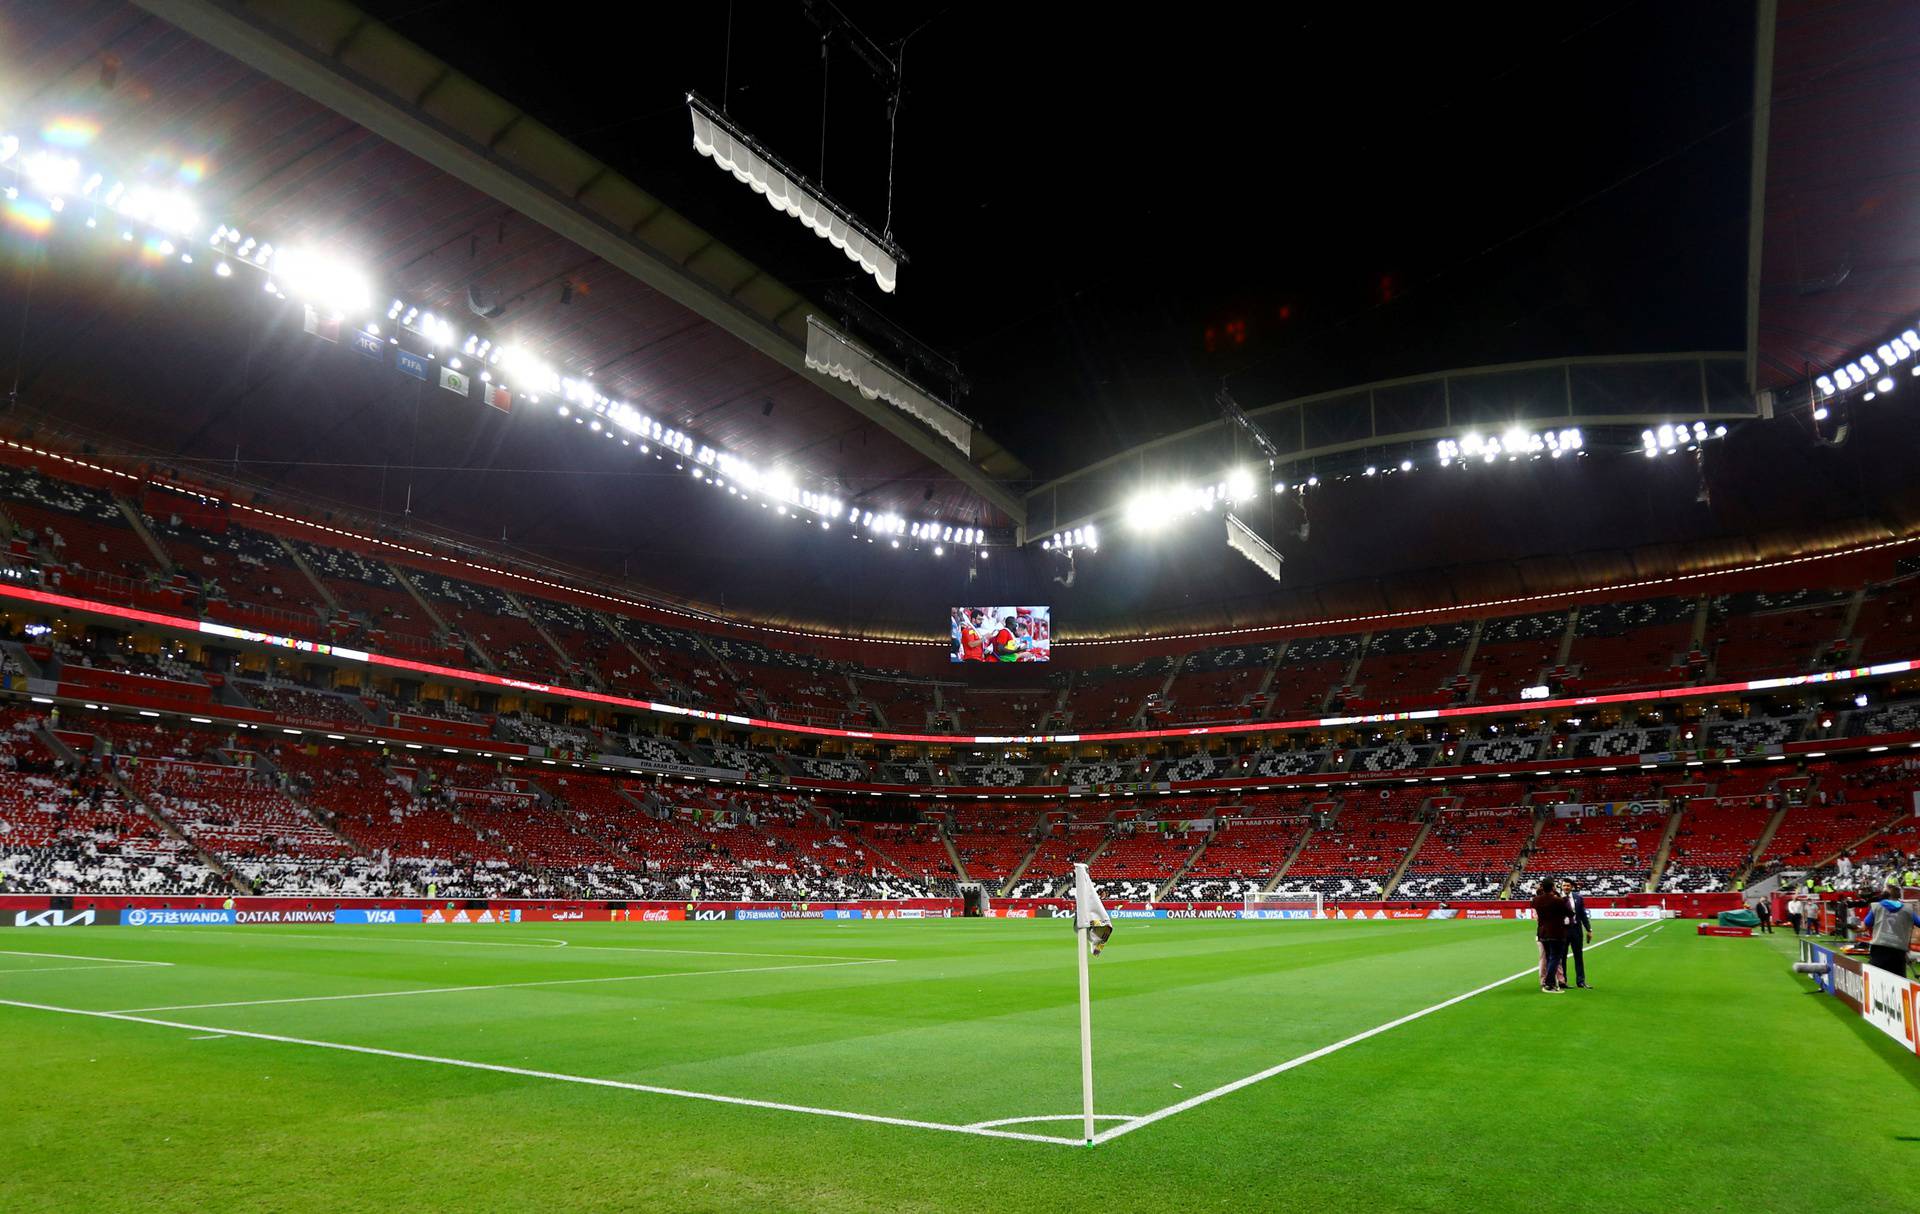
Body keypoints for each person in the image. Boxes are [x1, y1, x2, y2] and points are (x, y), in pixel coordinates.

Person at [1861, 884, 1919, 977]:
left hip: (1880, 948)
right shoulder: (1908, 910)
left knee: (1875, 977)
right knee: (1898, 980)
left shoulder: (1877, 906)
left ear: (1886, 893)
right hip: (1898, 951)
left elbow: (1864, 926)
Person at [1532, 878, 1572, 993]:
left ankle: (1549, 982)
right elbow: (1570, 913)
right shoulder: (1558, 901)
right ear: (1553, 887)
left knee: (1548, 958)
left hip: (1542, 933)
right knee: (1555, 958)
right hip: (1556, 933)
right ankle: (1549, 984)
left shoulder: (1536, 900)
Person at [1561, 880, 1593, 988]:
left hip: (1576, 930)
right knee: (1562, 957)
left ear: (1572, 887)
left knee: (1578, 956)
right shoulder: (1557, 898)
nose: (1566, 887)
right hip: (1562, 931)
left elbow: (1583, 915)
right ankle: (1562, 981)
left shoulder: (1578, 898)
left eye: (1568, 885)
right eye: (1564, 885)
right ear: (1561, 887)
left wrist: (1589, 929)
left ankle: (1581, 981)